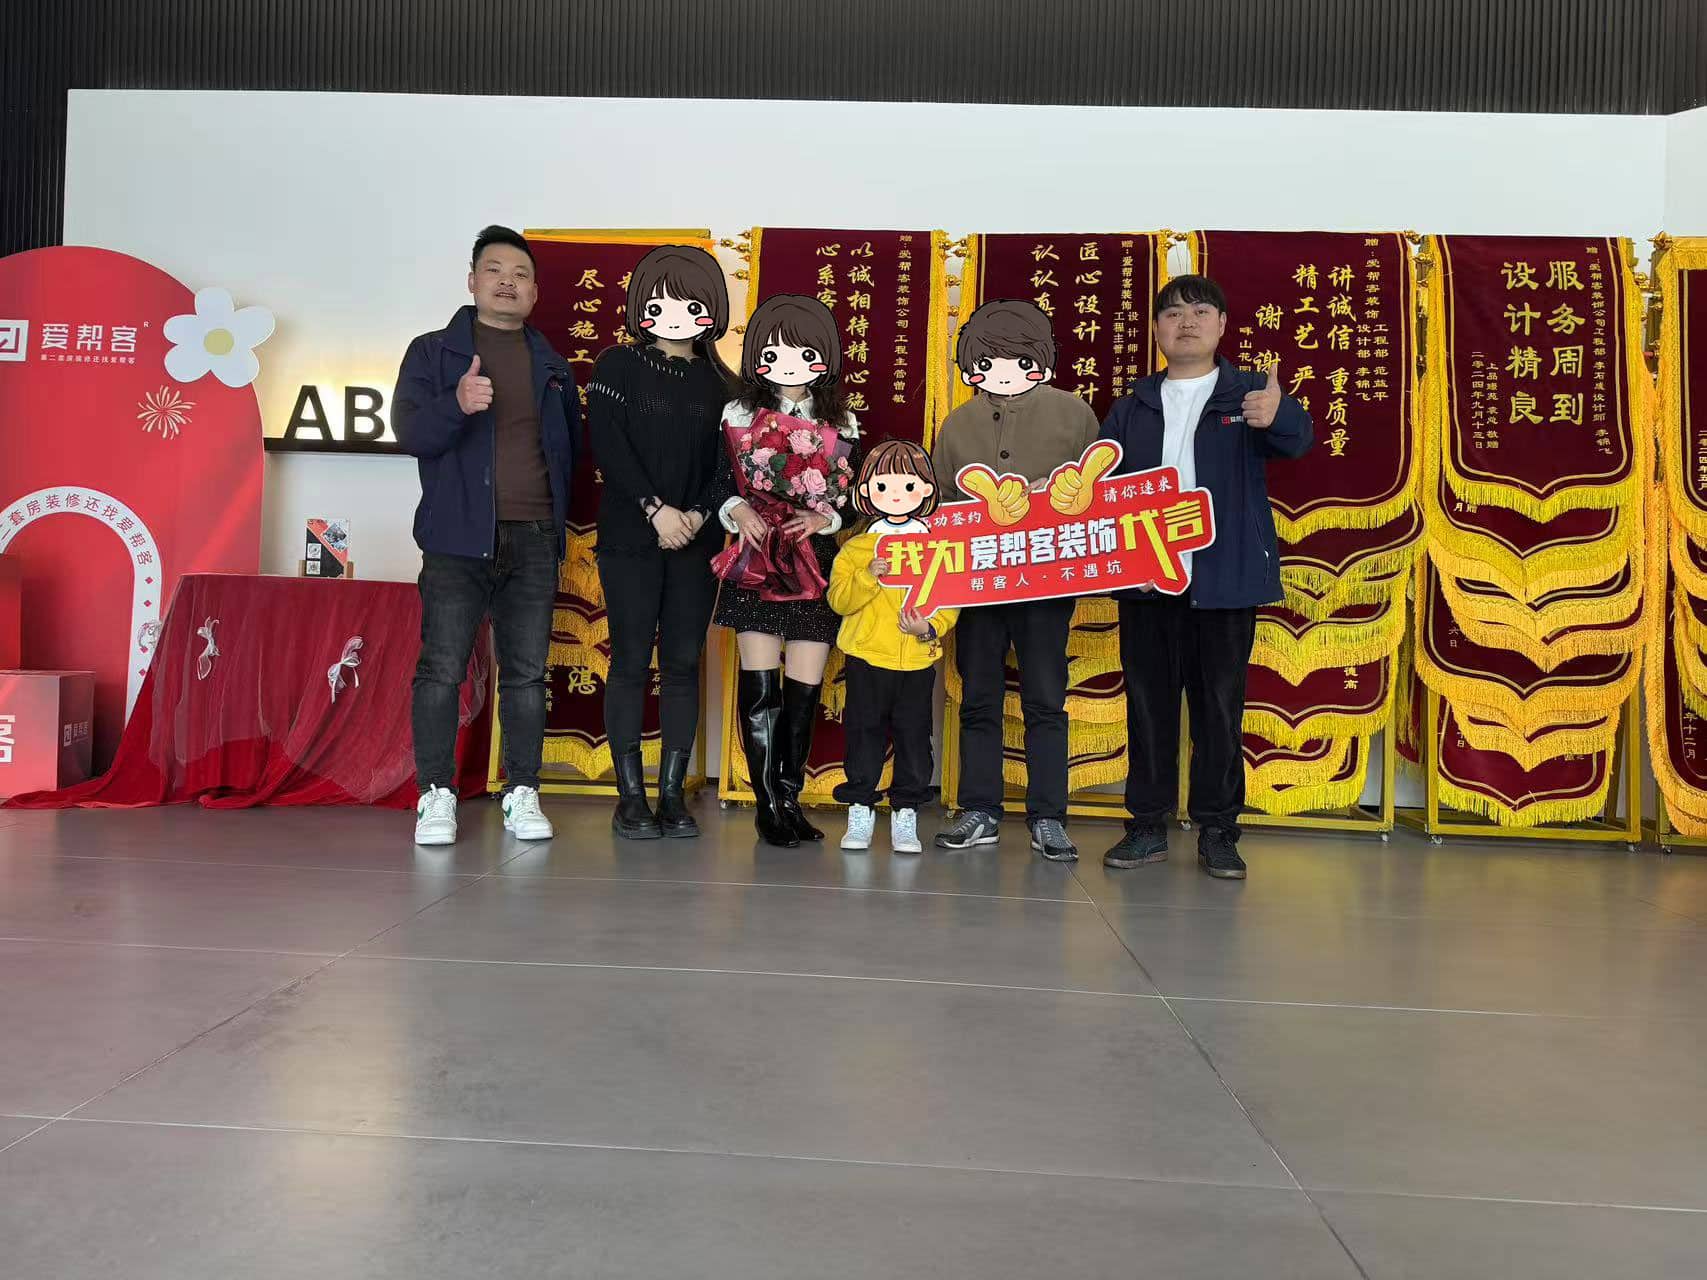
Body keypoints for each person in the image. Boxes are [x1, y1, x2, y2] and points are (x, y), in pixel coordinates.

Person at [1098, 274, 1313, 880]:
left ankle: (1219, 830)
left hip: (1223, 580)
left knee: (1220, 709)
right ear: (1157, 330)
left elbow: (1299, 442)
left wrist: (1277, 415)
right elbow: (1100, 488)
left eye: (1198, 311)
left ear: (1221, 325)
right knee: (1148, 708)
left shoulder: (1249, 394)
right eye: (1171, 313)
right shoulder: (1132, 405)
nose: (1185, 322)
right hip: (1147, 583)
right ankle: (1146, 826)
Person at [394, 226, 577, 848]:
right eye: (495, 270)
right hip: (455, 539)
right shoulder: (433, 353)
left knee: (526, 673)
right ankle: (435, 794)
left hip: (534, 536)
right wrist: (456, 402)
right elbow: (411, 435)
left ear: (534, 292)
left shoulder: (552, 365)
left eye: (521, 274)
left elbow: (567, 453)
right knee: (442, 669)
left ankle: (522, 791)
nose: (507, 282)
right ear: (472, 281)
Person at [930, 299, 1098, 862]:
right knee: (977, 697)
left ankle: (1049, 817)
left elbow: (1098, 497)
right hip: (977, 585)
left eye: (1017, 359)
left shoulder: (1074, 414)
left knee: (1045, 699)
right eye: (988, 361)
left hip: (1046, 585)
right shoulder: (958, 423)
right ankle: (980, 810)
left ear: (1040, 361)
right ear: (971, 366)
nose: (1002, 371)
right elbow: (941, 506)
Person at [586, 245, 734, 840]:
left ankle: (672, 795)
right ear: (641, 307)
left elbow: (730, 467)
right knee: (628, 661)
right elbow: (609, 445)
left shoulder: (725, 385)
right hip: (630, 536)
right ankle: (631, 798)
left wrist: (694, 515)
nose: (676, 315)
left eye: (691, 304)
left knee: (681, 664)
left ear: (712, 311)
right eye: (662, 302)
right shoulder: (616, 366)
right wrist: (655, 509)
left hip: (697, 541)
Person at [711, 294, 860, 848]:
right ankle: (767, 805)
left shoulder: (841, 421)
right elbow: (716, 479)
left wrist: (824, 517)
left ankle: (789, 797)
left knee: (804, 684)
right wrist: (739, 508)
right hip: (757, 555)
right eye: (774, 352)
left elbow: (854, 497)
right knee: (760, 683)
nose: (789, 363)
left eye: (803, 351)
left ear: (824, 357)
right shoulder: (738, 414)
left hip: (811, 559)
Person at [827, 439, 959, 854]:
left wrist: (928, 627)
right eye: (884, 486)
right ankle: (860, 809)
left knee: (914, 737)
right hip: (867, 658)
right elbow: (838, 600)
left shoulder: (936, 545)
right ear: (866, 491)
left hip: (916, 660)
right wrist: (868, 575)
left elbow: (950, 597)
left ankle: (906, 813)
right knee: (863, 733)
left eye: (908, 485)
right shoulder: (856, 548)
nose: (896, 495)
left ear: (926, 490)